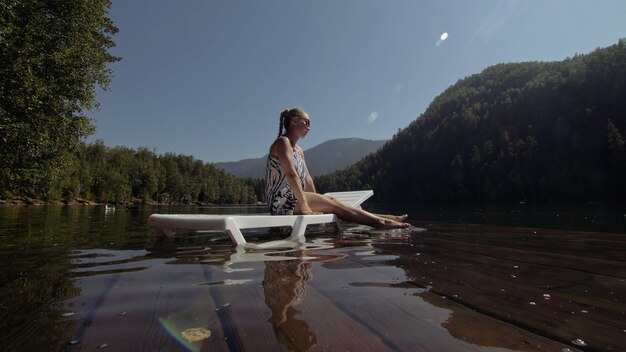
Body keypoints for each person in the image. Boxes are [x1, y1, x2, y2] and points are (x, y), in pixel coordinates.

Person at [265, 108, 410, 229]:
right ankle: (380, 222)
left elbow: (307, 178)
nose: (309, 127)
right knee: (334, 202)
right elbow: (291, 174)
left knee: (334, 203)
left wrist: (317, 202)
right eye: (307, 122)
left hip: (296, 198)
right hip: (282, 202)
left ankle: (385, 218)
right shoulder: (282, 142)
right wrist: (305, 206)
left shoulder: (299, 150)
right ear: (294, 121)